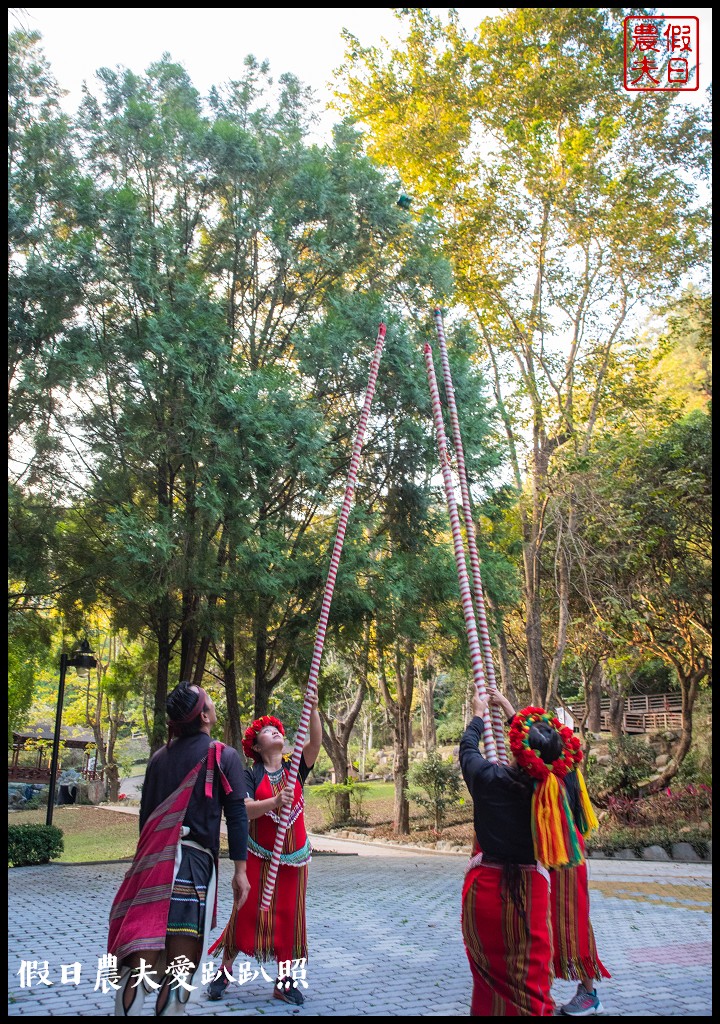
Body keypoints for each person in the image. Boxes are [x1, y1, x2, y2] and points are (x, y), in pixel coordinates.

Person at [107, 681, 250, 1017]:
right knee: (179, 970)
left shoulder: (158, 759)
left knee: (137, 966)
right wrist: (240, 872)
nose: (214, 704)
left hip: (152, 868)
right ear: (203, 715)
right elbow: (238, 816)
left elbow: (146, 820)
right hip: (193, 869)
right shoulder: (223, 755)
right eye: (210, 700)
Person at [459, 688, 589, 1017]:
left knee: (488, 978)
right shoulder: (554, 790)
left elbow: (467, 750)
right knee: (531, 981)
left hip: (485, 892)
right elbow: (538, 748)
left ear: (517, 750)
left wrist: (478, 715)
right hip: (532, 895)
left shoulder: (489, 779)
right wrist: (505, 707)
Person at [491, 691, 610, 1016]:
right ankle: (534, 989)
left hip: (565, 861)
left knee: (570, 923)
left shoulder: (549, 778)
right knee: (538, 925)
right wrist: (507, 706)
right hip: (555, 858)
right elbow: (534, 742)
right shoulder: (561, 765)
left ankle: (588, 993)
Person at [207, 692, 322, 1006]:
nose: (276, 732)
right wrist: (274, 801)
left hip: (295, 862)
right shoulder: (249, 774)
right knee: (245, 914)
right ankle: (224, 972)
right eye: (267, 731)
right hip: (259, 857)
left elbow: (315, 743)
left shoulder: (295, 766)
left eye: (278, 730)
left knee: (289, 918)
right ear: (256, 747)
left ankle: (284, 981)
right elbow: (244, 809)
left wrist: (312, 708)